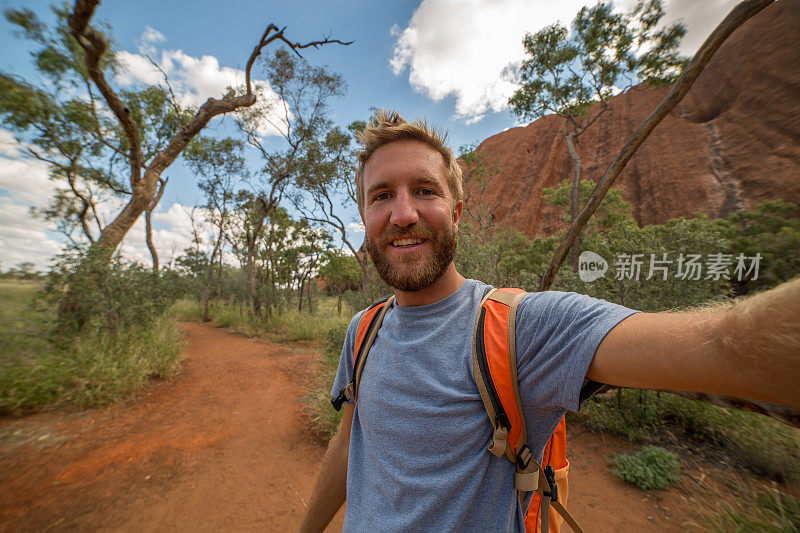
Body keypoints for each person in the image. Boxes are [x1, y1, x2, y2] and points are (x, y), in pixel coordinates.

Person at [299, 110, 800, 532]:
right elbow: (349, 442)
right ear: (364, 218)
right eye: (381, 195)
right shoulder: (364, 331)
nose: (403, 213)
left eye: (425, 190)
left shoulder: (524, 329)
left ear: (456, 215)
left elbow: (727, 344)